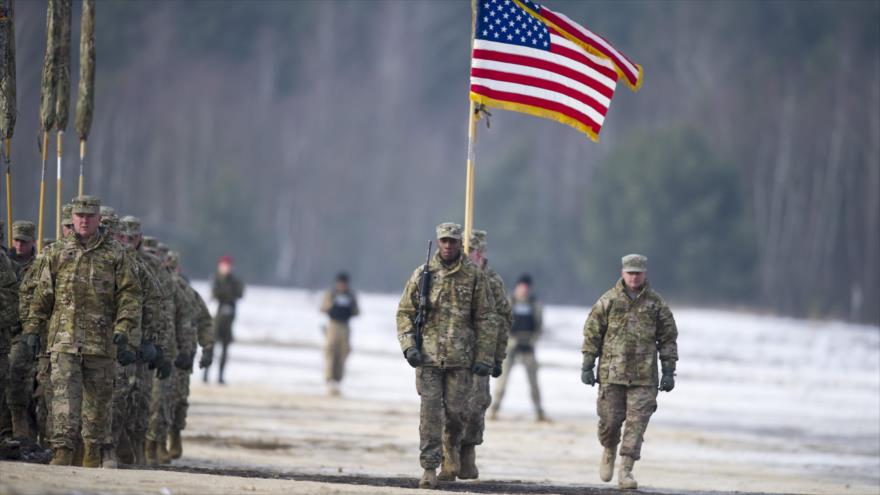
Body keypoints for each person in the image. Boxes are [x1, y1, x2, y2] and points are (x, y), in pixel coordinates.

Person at [23, 195, 142, 468]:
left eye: (89, 216)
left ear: (99, 219)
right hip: (64, 341)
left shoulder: (116, 254)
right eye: (79, 216)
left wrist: (123, 327)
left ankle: (92, 451)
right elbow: (42, 295)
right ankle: (63, 450)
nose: (84, 221)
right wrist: (32, 328)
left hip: (101, 343)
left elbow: (130, 295)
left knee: (97, 404)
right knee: (63, 398)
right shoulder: (56, 252)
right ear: (72, 218)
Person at [396, 222, 497, 489]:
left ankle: (452, 457)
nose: (448, 245)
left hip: (460, 360)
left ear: (460, 243)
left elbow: (487, 318)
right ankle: (429, 468)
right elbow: (405, 312)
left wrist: (484, 357)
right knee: (430, 415)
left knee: (455, 415)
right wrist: (409, 346)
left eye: (453, 241)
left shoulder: (474, 276)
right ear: (438, 242)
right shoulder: (423, 274)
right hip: (428, 359)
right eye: (444, 241)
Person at [581, 254, 678, 490]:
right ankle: (609, 448)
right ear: (622, 273)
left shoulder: (656, 304)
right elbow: (592, 333)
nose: (634, 277)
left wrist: (668, 370)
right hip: (612, 374)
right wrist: (587, 364)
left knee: (637, 425)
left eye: (638, 273)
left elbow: (668, 338)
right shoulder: (608, 300)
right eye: (630, 273)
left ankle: (625, 470)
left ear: (645, 274)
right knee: (610, 422)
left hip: (644, 378)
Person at [457, 230, 512, 480]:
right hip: (454, 351)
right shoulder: (453, 275)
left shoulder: (492, 280)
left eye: (472, 251)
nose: (468, 256)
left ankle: (467, 452)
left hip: (481, 353)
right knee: (451, 406)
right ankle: (449, 453)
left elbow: (503, 319)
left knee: (477, 405)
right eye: (465, 250)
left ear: (481, 253)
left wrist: (498, 356)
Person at [490, 273, 546, 421]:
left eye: (526, 288)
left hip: (528, 346)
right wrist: (509, 340)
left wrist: (533, 339)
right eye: (522, 287)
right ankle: (494, 409)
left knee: (533, 381)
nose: (524, 290)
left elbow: (539, 326)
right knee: (502, 380)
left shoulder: (534, 304)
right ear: (517, 287)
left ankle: (539, 411)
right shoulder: (509, 302)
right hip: (510, 346)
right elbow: (501, 323)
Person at [204, 255, 244, 385]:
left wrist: (225, 294)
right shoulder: (215, 279)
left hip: (228, 318)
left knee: (225, 347)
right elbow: (215, 294)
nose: (226, 268)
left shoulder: (234, 280)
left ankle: (220, 376)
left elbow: (239, 293)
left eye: (228, 265)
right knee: (211, 345)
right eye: (224, 265)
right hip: (216, 317)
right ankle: (205, 375)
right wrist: (227, 294)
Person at [319, 272, 359, 396]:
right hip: (333, 325)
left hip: (345, 326)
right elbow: (323, 308)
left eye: (344, 284)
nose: (342, 286)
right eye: (341, 283)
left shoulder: (351, 295)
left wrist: (349, 308)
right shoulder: (331, 294)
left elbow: (357, 312)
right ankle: (329, 380)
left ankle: (337, 380)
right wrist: (333, 305)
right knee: (330, 352)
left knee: (343, 353)